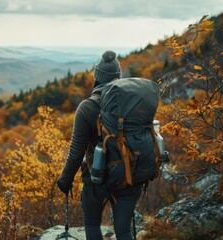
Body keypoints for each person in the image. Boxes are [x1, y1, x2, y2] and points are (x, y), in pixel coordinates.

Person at [56, 50, 141, 240]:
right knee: (124, 230)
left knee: (92, 223)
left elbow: (76, 152)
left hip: (97, 180)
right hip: (128, 175)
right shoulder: (132, 104)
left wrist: (65, 180)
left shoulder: (87, 108)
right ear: (117, 77)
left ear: (97, 78)